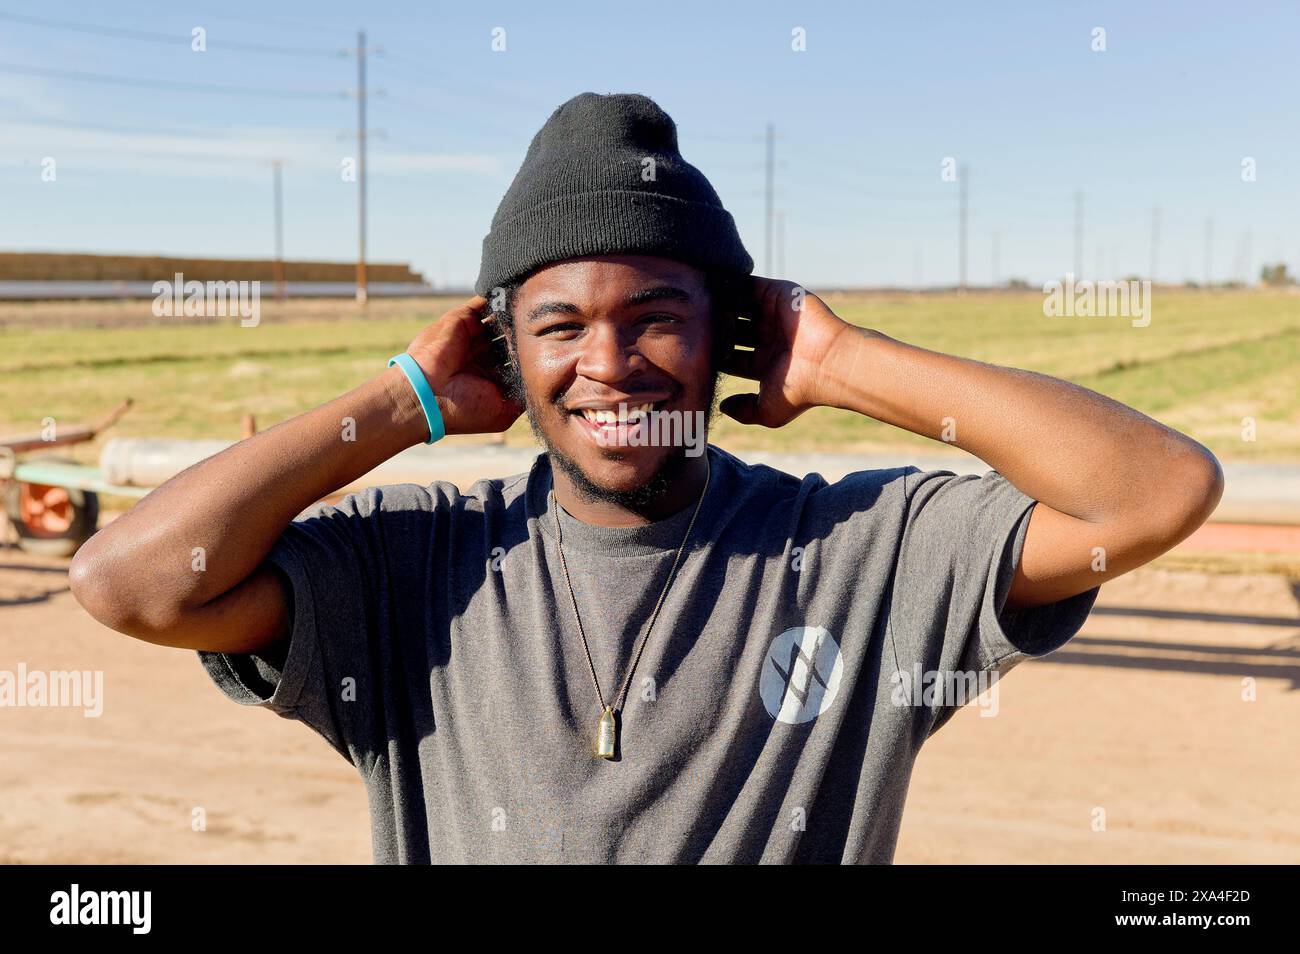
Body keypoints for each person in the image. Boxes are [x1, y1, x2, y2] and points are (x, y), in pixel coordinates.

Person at [69, 92, 1223, 863]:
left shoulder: (860, 555)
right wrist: (399, 406)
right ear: (503, 352)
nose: (609, 364)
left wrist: (839, 362)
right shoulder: (413, 566)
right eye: (559, 325)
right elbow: (132, 584)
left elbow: (1153, 494)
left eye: (658, 317)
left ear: (727, 330)